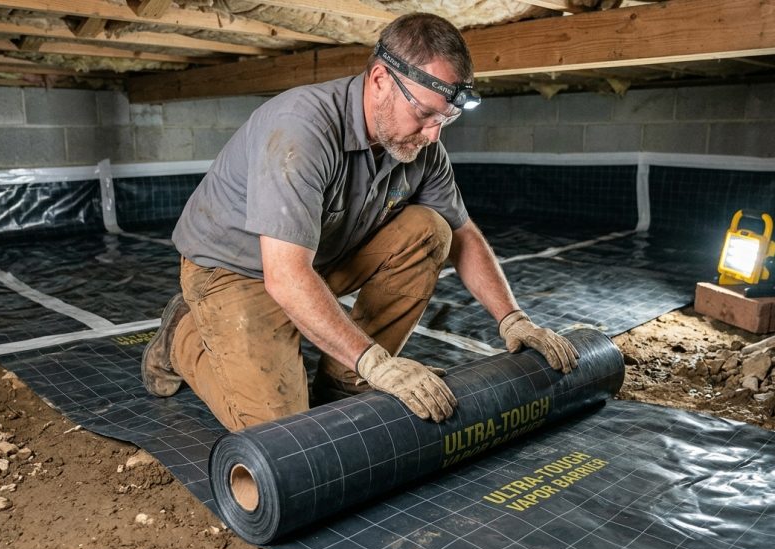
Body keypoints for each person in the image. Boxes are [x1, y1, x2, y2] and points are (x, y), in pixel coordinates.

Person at [141, 13, 579, 431]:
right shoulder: (302, 131)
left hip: (313, 259)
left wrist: (514, 320)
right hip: (235, 272)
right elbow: (285, 274)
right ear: (380, 80)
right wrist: (377, 361)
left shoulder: (421, 149)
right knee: (285, 431)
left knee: (431, 229)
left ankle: (344, 381)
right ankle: (182, 337)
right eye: (425, 114)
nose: (434, 135)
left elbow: (463, 238)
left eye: (446, 119)